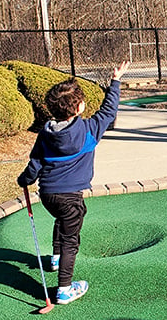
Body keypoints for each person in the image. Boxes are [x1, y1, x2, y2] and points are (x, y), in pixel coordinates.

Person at [17, 60, 129, 305]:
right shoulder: (89, 129)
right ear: (78, 108)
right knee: (71, 240)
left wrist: (24, 180)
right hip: (70, 197)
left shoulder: (45, 133)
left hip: (47, 195)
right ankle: (65, 289)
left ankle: (56, 258)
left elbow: (34, 165)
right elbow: (109, 111)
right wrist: (116, 80)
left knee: (61, 220)